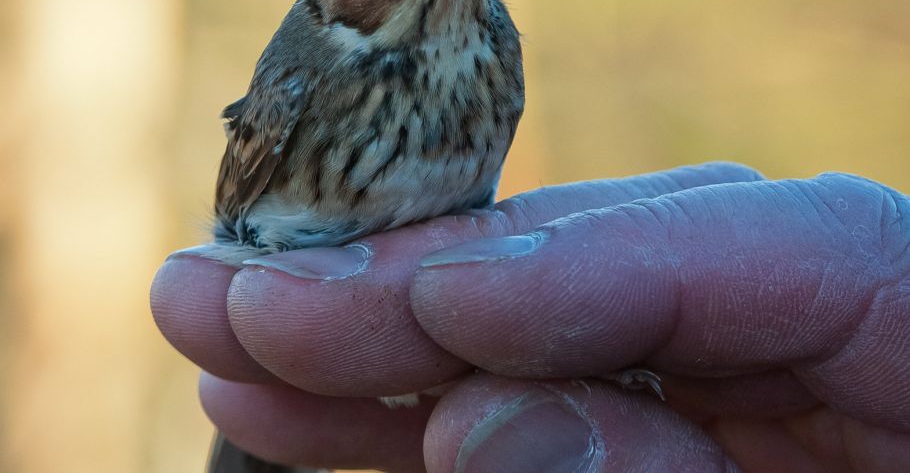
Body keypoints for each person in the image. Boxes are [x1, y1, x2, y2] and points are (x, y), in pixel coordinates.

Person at [151, 163, 910, 472]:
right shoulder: (308, 76)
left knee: (493, 297)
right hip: (306, 319)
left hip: (447, 308)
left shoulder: (490, 54)